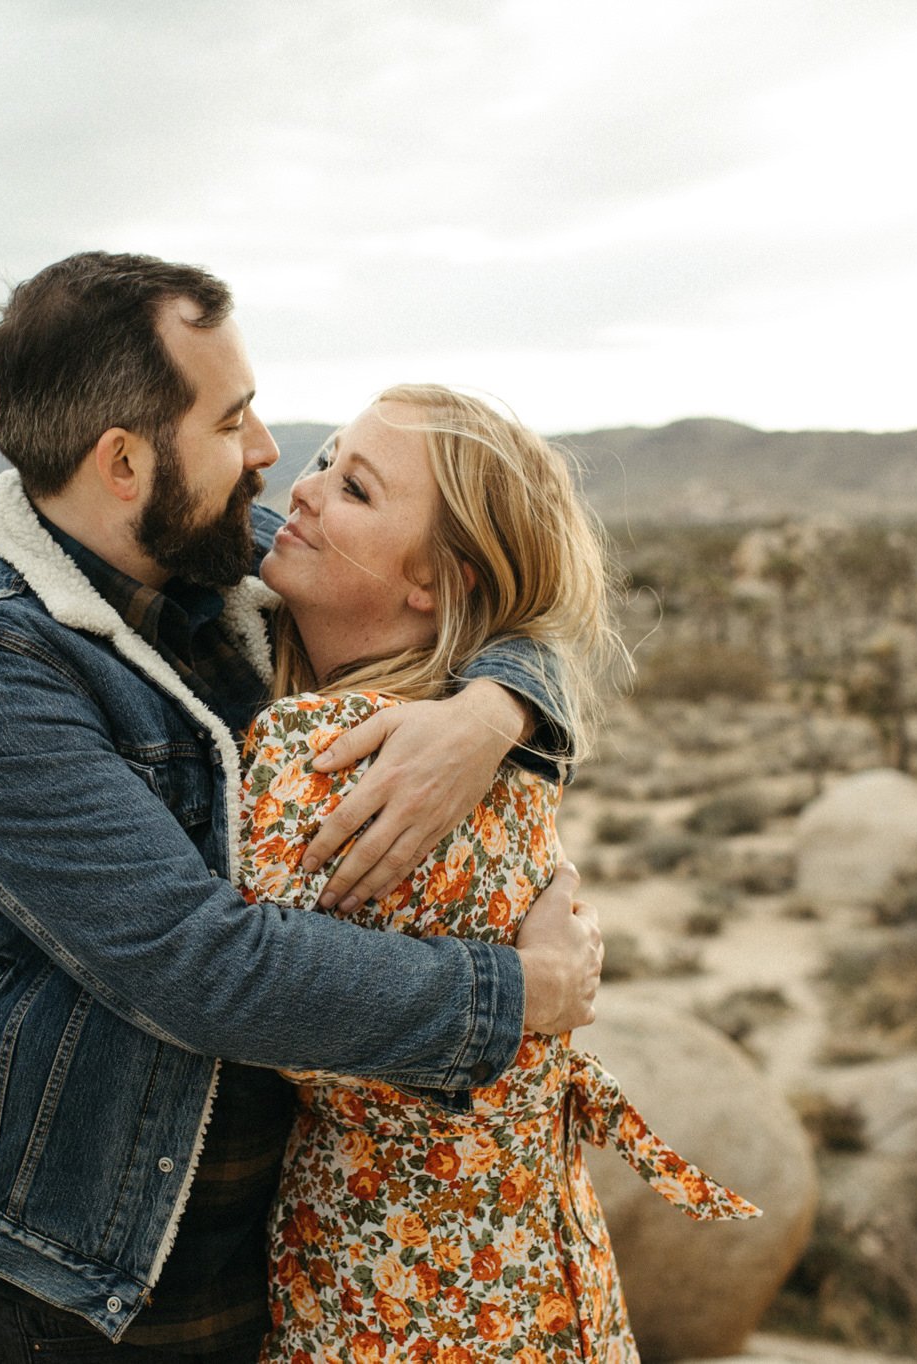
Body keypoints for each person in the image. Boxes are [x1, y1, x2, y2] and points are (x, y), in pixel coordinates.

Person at [0, 252, 605, 1364]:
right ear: (122, 461)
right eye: (233, 417)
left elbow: (487, 587)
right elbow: (195, 961)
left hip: (252, 1244)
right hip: (66, 1284)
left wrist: (489, 711)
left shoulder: (186, 542)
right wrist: (512, 994)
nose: (268, 459)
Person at [241, 387, 760, 1364]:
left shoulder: (318, 755)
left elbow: (230, 977)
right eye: (322, 458)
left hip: (393, 1288)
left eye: (350, 485)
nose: (298, 492)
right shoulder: (502, 751)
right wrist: (500, 706)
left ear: (435, 581)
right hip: (535, 1264)